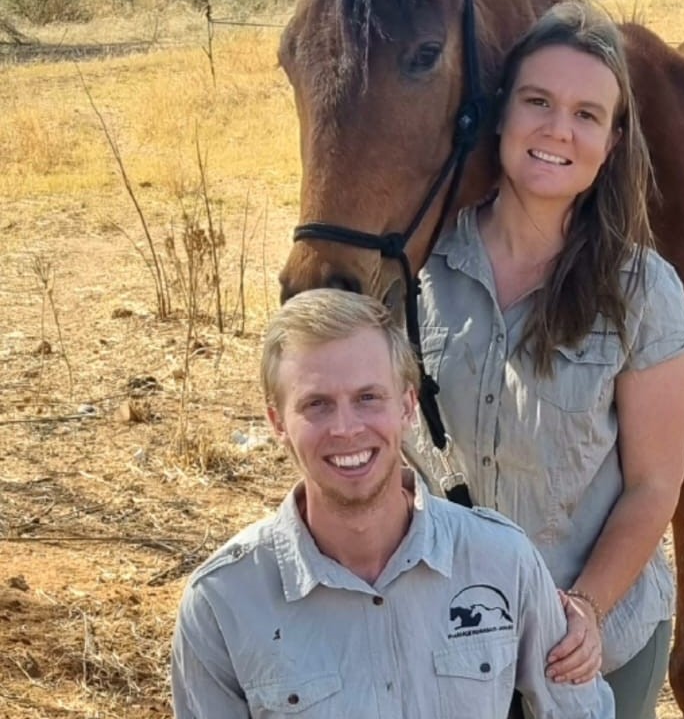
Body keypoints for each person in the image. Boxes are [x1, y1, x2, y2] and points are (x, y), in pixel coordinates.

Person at [412, 1, 684, 719]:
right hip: (440, 636)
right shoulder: (420, 267)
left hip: (588, 642)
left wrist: (586, 609)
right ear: (501, 114)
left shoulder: (642, 292)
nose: (556, 130)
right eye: (537, 102)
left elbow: (654, 485)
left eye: (585, 114)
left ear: (611, 141)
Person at [170, 288, 614, 719]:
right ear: (277, 422)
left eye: (368, 398)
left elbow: (581, 711)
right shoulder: (222, 603)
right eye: (316, 404)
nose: (346, 428)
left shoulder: (501, 561)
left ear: (407, 406)